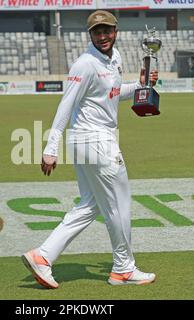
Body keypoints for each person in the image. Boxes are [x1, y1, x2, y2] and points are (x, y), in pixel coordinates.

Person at [21, 10, 159, 289]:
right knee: (119, 206)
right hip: (95, 142)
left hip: (89, 142)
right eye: (98, 32)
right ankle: (123, 269)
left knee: (89, 206)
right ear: (90, 35)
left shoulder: (115, 58)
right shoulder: (84, 64)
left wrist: (141, 86)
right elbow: (66, 104)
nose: (104, 36)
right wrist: (50, 147)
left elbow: (111, 95)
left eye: (107, 30)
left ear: (115, 31)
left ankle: (42, 256)